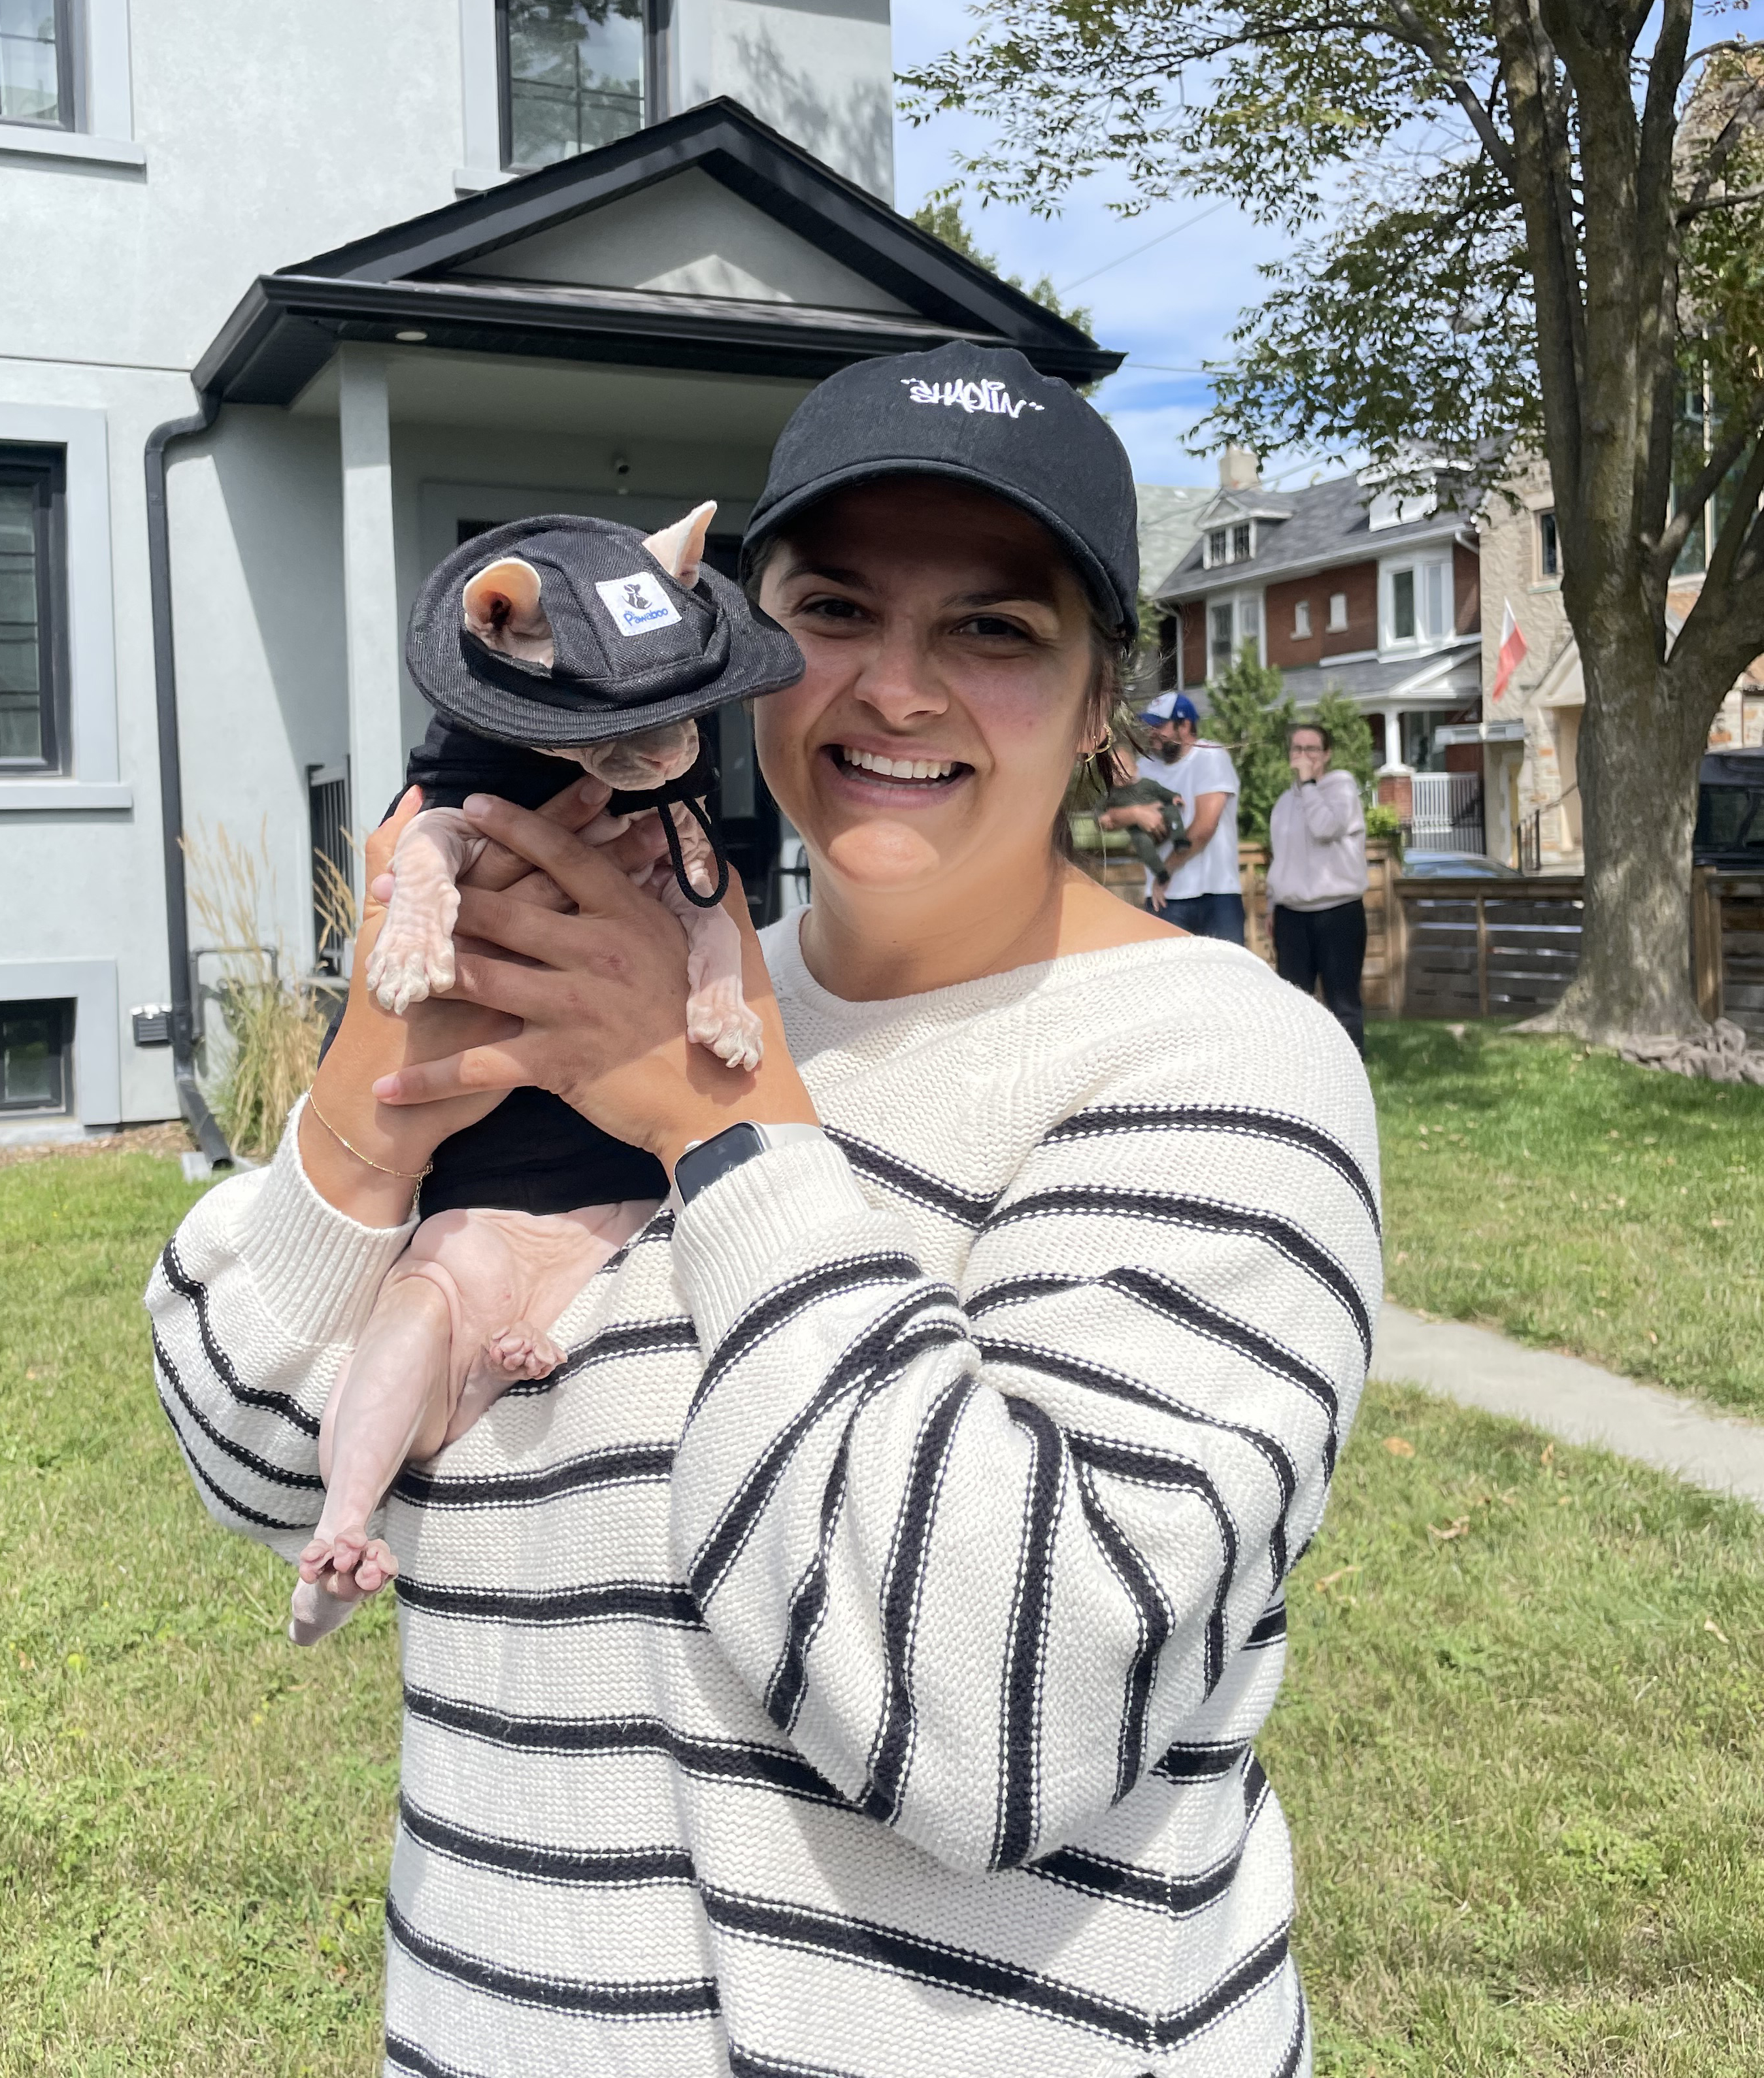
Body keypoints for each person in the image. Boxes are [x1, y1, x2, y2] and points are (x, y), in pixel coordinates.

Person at [146, 338, 1380, 2078]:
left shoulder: (1221, 1063)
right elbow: (250, 1468)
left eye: (996, 629)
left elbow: (1005, 1715)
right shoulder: (583, 971)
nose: (893, 688)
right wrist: (375, 1091)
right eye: (837, 610)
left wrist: (719, 1126)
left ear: (1109, 700)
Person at [1267, 721, 1370, 1055]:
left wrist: (1310, 784)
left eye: (1311, 749)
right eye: (1297, 749)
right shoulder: (1283, 803)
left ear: (1326, 755)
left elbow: (1326, 827)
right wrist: (1273, 906)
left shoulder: (1342, 788)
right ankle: (1300, 1068)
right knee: (1294, 1002)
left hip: (1338, 910)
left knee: (1343, 1002)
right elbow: (1281, 859)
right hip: (1292, 915)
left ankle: (1354, 1071)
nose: (1303, 755)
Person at [1118, 691, 1246, 944]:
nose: (1151, 732)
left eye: (1159, 725)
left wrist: (1164, 872)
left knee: (1224, 981)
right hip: (1164, 900)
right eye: (1149, 725)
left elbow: (1204, 828)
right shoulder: (1145, 766)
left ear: (1185, 725)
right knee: (1170, 982)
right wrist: (1134, 813)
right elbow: (1110, 817)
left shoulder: (1211, 756)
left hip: (1216, 895)